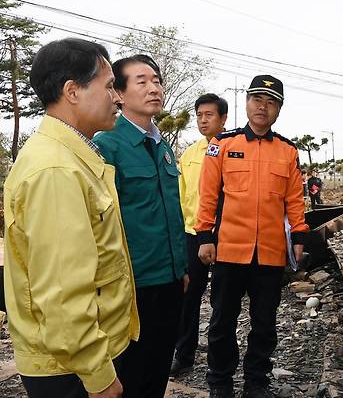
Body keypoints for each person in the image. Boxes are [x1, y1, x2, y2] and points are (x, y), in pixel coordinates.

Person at [3, 38, 139, 398]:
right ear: (72, 91)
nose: (118, 98)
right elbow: (62, 297)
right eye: (109, 86)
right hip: (72, 368)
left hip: (84, 355)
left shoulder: (70, 158)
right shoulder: (56, 170)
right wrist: (98, 375)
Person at [196, 75, 309, 398]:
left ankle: (257, 380)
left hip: (270, 252)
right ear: (246, 103)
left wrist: (299, 236)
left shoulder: (287, 151)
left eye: (271, 102)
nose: (263, 106)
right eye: (257, 99)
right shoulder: (223, 144)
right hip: (229, 249)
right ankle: (220, 381)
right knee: (221, 322)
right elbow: (208, 195)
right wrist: (205, 235)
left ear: (279, 110)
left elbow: (294, 201)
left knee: (264, 323)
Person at [93, 54, 187, 398]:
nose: (154, 89)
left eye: (157, 81)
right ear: (118, 92)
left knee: (159, 367)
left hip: (171, 280)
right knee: (132, 374)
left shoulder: (162, 145)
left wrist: (181, 267)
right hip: (133, 286)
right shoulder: (107, 144)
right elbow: (104, 222)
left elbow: (172, 212)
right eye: (141, 82)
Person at [170, 93, 228, 376]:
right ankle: (184, 355)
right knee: (189, 296)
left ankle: (220, 359)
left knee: (222, 299)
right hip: (193, 234)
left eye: (210, 115)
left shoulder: (233, 149)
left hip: (225, 236)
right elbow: (181, 196)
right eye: (200, 115)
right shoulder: (189, 154)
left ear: (223, 119)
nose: (203, 120)